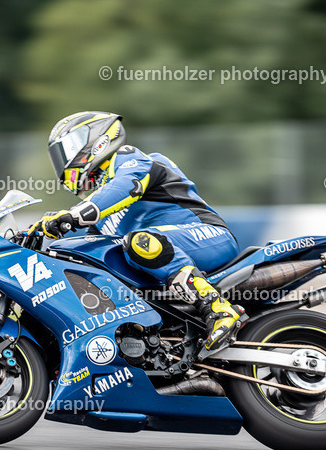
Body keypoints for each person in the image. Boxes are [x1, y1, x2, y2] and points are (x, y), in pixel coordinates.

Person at [31, 111, 245, 352]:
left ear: (96, 139)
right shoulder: (100, 214)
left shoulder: (129, 158)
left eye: (67, 149)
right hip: (161, 257)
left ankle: (218, 308)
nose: (62, 163)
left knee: (140, 241)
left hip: (208, 236)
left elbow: (126, 186)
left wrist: (73, 215)